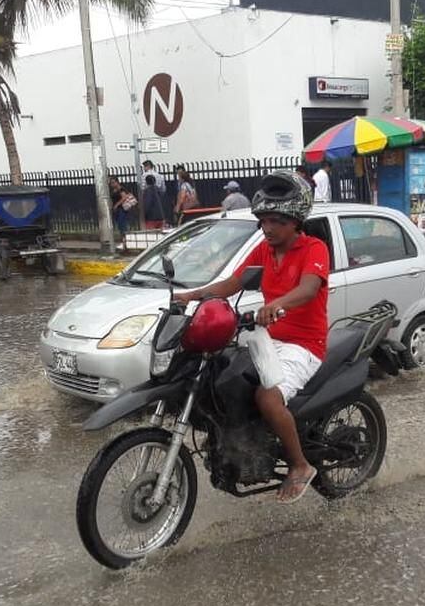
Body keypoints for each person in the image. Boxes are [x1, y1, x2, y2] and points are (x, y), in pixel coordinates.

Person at [174, 171, 328, 503]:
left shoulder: (313, 248)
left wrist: (277, 304)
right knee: (221, 377)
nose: (268, 228)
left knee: (267, 397)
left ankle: (300, 466)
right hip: (267, 340)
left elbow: (308, 288)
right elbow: (232, 283)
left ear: (295, 220)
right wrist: (192, 295)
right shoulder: (264, 250)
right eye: (263, 221)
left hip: (304, 345)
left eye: (276, 221)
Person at [109, 176, 138, 247]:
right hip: (117, 211)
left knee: (123, 226)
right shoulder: (113, 190)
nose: (112, 184)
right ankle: (124, 241)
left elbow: (124, 197)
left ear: (117, 182)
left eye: (113, 182)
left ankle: (125, 242)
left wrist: (116, 205)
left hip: (122, 209)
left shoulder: (121, 189)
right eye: (111, 183)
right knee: (120, 226)